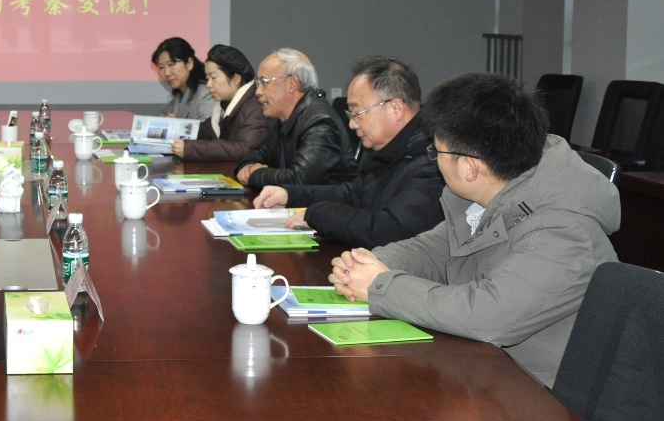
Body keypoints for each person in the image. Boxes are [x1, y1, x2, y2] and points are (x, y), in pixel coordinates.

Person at [329, 72, 620, 388]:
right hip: (487, 372)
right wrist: (365, 265)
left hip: (548, 396)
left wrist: (381, 287)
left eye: (436, 152)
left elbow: (485, 316)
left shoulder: (565, 232)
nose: (434, 161)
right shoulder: (496, 189)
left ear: (470, 168)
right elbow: (435, 248)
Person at [252, 56, 445, 247]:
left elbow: (387, 229)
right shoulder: (391, 150)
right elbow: (352, 194)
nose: (352, 124)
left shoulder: (434, 162)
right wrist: (290, 195)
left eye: (357, 113)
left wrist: (317, 215)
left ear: (395, 109)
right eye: (350, 114)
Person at [234, 48, 354, 188]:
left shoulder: (321, 123)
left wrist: (255, 175)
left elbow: (300, 180)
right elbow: (261, 152)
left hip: (324, 202)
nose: (258, 91)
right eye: (258, 83)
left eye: (264, 82)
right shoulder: (281, 117)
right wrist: (247, 166)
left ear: (293, 84)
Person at [172, 44, 270, 161]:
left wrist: (191, 149)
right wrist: (172, 128)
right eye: (207, 78)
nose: (209, 84)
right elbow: (205, 130)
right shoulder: (224, 106)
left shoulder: (255, 107)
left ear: (236, 78)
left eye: (213, 77)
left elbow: (245, 149)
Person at [151, 37, 216, 121]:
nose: (167, 73)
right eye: (161, 67)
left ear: (189, 63)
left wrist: (176, 126)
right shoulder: (178, 97)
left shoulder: (206, 93)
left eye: (171, 64)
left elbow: (208, 128)